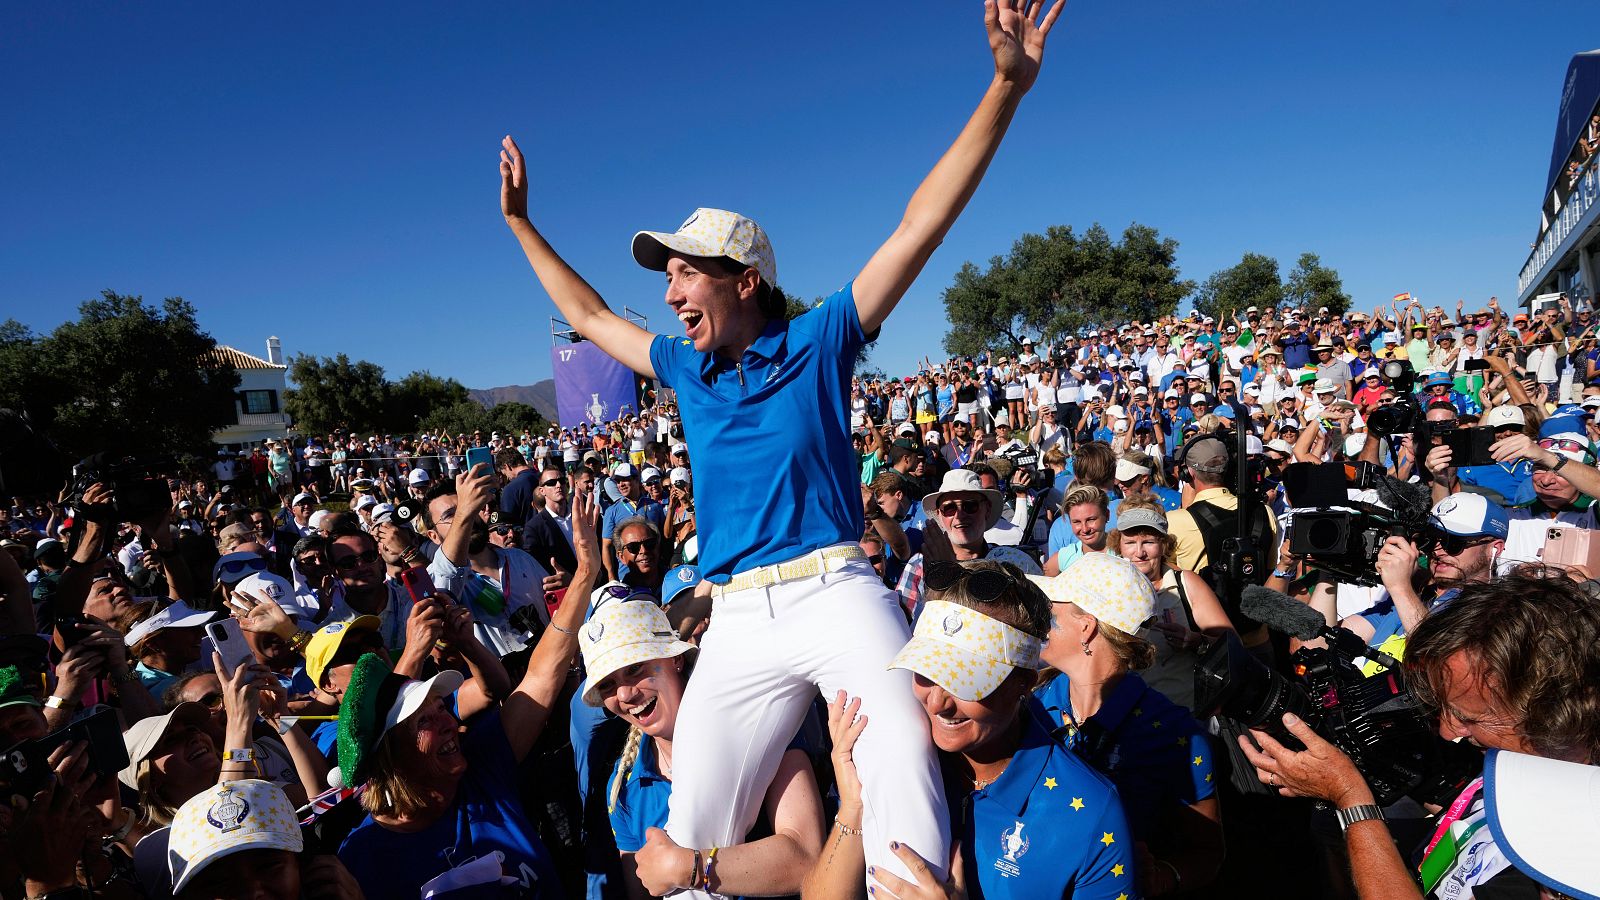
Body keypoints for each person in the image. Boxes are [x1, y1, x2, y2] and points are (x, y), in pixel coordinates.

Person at [498, 2, 1066, 886]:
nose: (673, 290)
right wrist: (521, 226)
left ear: (746, 280)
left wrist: (1004, 88)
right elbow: (585, 313)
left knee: (902, 785)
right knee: (688, 835)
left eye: (687, 271)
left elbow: (920, 225)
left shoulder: (819, 340)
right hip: (737, 616)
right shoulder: (683, 368)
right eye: (670, 274)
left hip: (839, 590)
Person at [1240, 570, 1600, 900]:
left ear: (1554, 711)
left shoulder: (1573, 851)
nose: (1447, 730)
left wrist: (1352, 799)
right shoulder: (1523, 764)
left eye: (1467, 718)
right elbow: (1465, 822)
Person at [803, 559, 1135, 899]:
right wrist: (854, 804)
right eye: (925, 672)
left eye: (965, 682)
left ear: (1023, 682)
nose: (937, 703)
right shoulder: (897, 753)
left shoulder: (1091, 812)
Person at [334, 486, 599, 897]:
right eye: (426, 720)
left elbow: (541, 677)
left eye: (442, 709)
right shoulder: (360, 859)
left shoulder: (481, 767)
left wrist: (585, 573)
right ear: (390, 752)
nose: (450, 725)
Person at [579, 596, 824, 898]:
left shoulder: (752, 718)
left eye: (635, 668)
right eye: (607, 685)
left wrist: (687, 868)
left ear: (675, 658)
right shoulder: (624, 787)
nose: (626, 694)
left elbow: (806, 857)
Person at [1028, 553, 1223, 895]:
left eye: (1051, 610)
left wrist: (1162, 876)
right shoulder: (1033, 706)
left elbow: (1207, 852)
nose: (1040, 621)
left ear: (1085, 628)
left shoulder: (1175, 733)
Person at [1107, 498, 1235, 710]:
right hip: (1129, 718)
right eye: (1130, 543)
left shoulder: (1186, 583)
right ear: (1118, 546)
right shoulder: (1107, 589)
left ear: (1164, 544)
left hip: (1184, 714)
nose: (1139, 552)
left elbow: (1232, 645)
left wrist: (1195, 641)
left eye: (1148, 542)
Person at [896, 469, 1041, 617]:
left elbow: (1041, 619)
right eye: (949, 508)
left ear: (987, 510)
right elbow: (904, 623)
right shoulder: (920, 566)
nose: (959, 516)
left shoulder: (1016, 562)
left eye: (970, 506)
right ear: (939, 515)